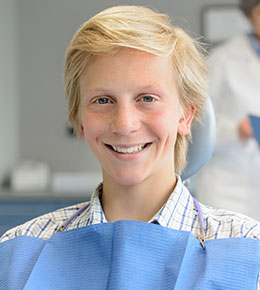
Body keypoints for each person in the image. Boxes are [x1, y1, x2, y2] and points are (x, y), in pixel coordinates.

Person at [1, 5, 260, 290]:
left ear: (185, 115)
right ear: (79, 120)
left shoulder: (246, 248)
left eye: (147, 98)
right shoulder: (19, 251)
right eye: (102, 100)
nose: (124, 124)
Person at [196, 0, 260, 221]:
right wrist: (236, 130)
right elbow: (197, 121)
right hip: (228, 187)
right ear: (250, 15)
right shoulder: (222, 59)